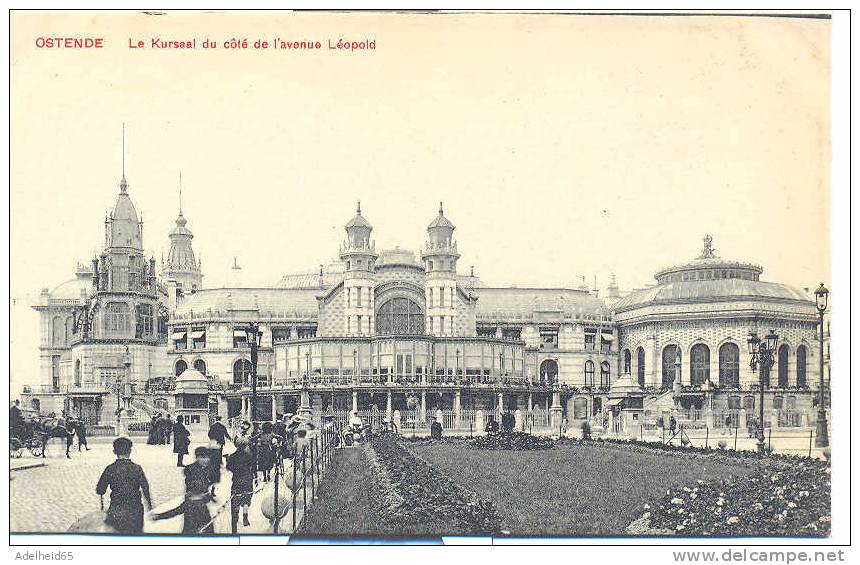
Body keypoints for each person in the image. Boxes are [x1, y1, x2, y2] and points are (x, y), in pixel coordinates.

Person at [150, 447, 215, 534]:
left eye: (208, 457)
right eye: (203, 457)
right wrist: (159, 516)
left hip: (202, 511)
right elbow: (181, 508)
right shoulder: (192, 471)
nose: (206, 460)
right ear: (197, 457)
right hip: (193, 513)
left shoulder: (206, 470)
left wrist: (208, 496)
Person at [95, 437, 153, 534]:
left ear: (114, 451)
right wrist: (150, 507)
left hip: (116, 510)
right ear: (130, 451)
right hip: (135, 511)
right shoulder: (137, 468)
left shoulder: (110, 469)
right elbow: (145, 489)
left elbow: (100, 490)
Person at [225, 436, 255, 533]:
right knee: (246, 498)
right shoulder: (249, 456)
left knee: (236, 499)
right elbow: (253, 466)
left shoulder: (233, 456)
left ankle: (235, 522)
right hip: (247, 480)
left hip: (237, 480)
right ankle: (245, 516)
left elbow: (229, 467)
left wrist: (228, 461)